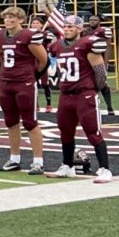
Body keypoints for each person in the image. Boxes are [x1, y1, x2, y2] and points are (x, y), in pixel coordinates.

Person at [46, 16, 112, 182]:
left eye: (72, 26)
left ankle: (105, 169)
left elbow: (101, 72)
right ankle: (67, 166)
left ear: (80, 29)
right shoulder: (58, 46)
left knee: (93, 132)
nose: (68, 29)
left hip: (84, 94)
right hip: (66, 94)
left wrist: (94, 89)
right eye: (66, 26)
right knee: (65, 132)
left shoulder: (87, 44)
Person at [0, 6, 49, 173]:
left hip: (24, 83)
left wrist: (32, 77)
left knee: (30, 122)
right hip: (7, 83)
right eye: (6, 18)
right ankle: (14, 158)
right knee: (11, 122)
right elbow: (0, 58)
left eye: (13, 18)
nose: (9, 21)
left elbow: (43, 60)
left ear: (21, 20)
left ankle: (38, 161)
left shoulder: (28, 36)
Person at [86, 15, 115, 115]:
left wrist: (105, 62)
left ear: (99, 22)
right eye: (90, 20)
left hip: (100, 60)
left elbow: (108, 47)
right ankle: (91, 107)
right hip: (88, 62)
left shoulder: (103, 31)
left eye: (94, 20)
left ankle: (110, 107)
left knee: (103, 84)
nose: (92, 21)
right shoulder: (86, 32)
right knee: (89, 85)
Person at [30, 15, 57, 113]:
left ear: (41, 25)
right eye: (33, 23)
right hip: (32, 61)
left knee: (45, 83)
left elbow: (49, 44)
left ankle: (49, 104)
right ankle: (36, 104)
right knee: (34, 83)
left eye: (37, 23)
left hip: (43, 60)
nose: (35, 24)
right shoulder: (27, 34)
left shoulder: (46, 34)